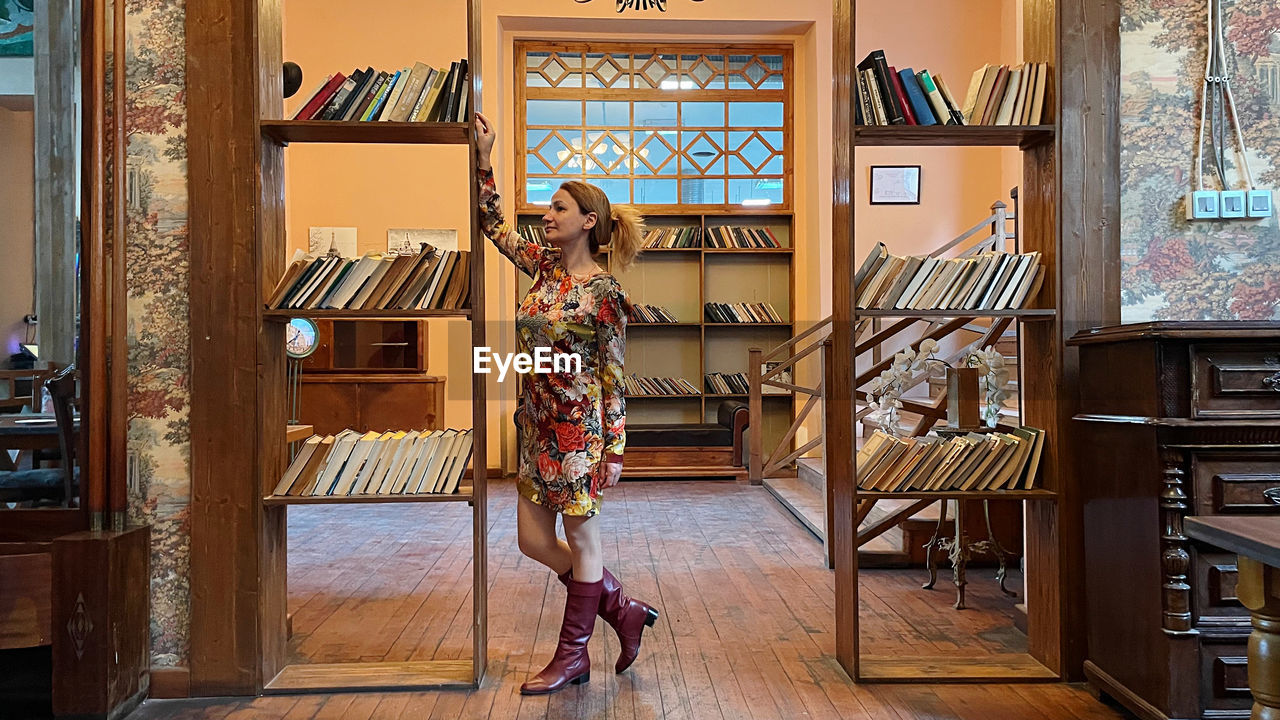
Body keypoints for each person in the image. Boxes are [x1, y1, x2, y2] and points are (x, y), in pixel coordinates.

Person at [474, 113, 660, 695]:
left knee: (583, 541)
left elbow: (613, 376)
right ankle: (622, 610)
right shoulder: (543, 266)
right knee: (533, 541)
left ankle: (572, 655)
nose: (546, 215)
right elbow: (493, 223)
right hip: (535, 426)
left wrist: (615, 449)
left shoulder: (606, 294)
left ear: (587, 222)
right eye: (547, 208)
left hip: (581, 434)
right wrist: (484, 159)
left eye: (557, 208)